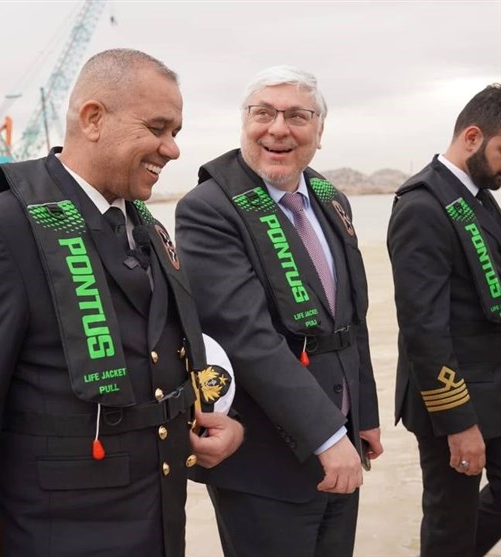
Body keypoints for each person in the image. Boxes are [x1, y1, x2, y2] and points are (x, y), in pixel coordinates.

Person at [0, 48, 243, 557]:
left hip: (158, 522)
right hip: (59, 533)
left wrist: (210, 417)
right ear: (93, 119)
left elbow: (158, 357)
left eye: (176, 132)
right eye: (157, 128)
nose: (172, 149)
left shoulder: (148, 229)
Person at [175, 65, 382, 557]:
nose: (278, 129)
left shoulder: (330, 200)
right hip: (265, 459)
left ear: (319, 131)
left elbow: (351, 320)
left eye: (297, 116)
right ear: (244, 123)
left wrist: (364, 416)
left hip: (341, 444)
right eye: (263, 113)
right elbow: (246, 337)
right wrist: (327, 436)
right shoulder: (210, 208)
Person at [387, 84, 501, 557]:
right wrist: (459, 423)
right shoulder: (422, 206)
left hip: (492, 389)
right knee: (450, 522)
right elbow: (424, 329)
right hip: (453, 402)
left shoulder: (476, 196)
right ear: (472, 137)